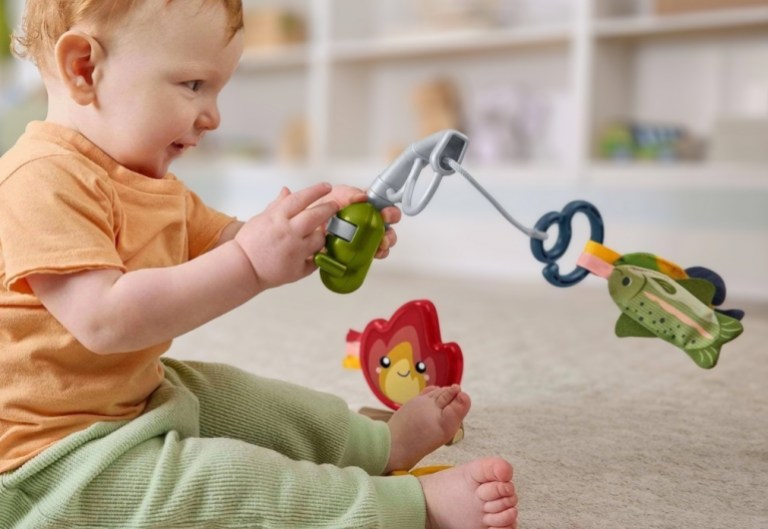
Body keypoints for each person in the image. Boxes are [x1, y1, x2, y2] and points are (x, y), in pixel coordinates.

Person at [0, 1, 519, 528]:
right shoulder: (38, 181)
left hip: (134, 395)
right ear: (84, 68)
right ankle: (408, 509)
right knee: (220, 482)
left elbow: (234, 240)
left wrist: (312, 227)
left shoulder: (149, 183)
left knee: (244, 399)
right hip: (51, 461)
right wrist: (251, 264)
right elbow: (105, 321)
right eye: (194, 85)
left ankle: (377, 445)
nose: (214, 116)